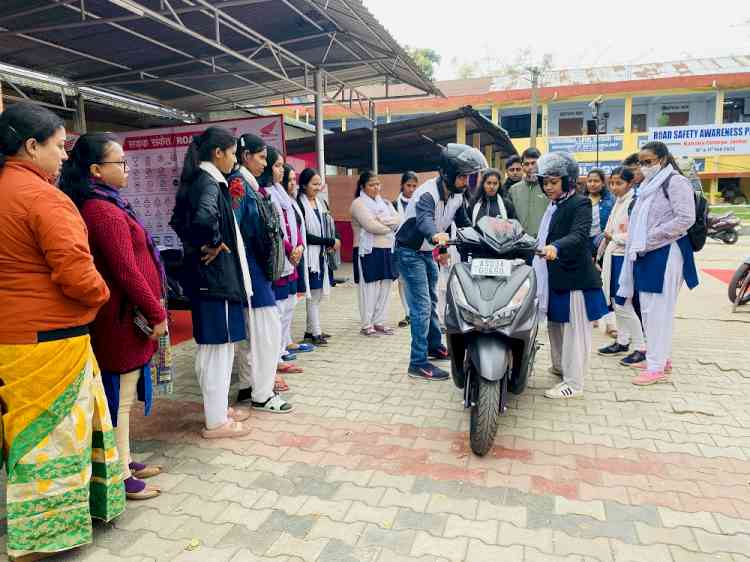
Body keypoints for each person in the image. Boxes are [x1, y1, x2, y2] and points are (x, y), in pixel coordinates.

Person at [0, 102, 124, 559]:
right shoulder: (44, 197)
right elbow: (77, 273)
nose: (64, 157)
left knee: (22, 433)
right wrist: (101, 296)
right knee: (50, 442)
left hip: (11, 336)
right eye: (58, 146)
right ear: (31, 146)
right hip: (50, 338)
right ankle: (39, 540)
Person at [59, 133, 167, 501]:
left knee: (124, 392)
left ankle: (126, 458)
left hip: (123, 316)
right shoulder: (102, 210)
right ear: (96, 170)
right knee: (118, 396)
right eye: (119, 162)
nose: (126, 168)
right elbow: (126, 270)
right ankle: (119, 476)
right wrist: (155, 310)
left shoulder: (109, 202)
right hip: (120, 320)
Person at [169, 127, 252, 439]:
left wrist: (197, 245)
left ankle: (215, 409)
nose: (234, 159)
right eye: (232, 153)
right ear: (218, 153)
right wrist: (214, 242)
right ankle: (216, 421)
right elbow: (204, 219)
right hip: (216, 279)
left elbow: (178, 221)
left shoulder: (201, 180)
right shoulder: (209, 182)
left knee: (215, 348)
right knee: (218, 349)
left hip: (209, 279)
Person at [395, 143, 487, 381]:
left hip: (426, 252)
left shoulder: (457, 194)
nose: (467, 180)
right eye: (463, 175)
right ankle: (417, 363)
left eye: (470, 175)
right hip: (409, 251)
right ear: (448, 173)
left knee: (434, 300)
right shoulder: (428, 193)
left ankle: (434, 346)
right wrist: (436, 235)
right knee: (422, 307)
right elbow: (424, 219)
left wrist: (485, 236)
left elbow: (464, 222)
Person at [617, 141, 699, 386]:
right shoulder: (648, 185)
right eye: (641, 162)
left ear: (662, 159)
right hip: (647, 253)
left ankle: (656, 367)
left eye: (648, 161)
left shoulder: (675, 182)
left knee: (658, 313)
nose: (644, 166)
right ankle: (659, 358)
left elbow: (686, 218)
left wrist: (648, 238)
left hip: (666, 253)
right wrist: (641, 241)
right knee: (651, 311)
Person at [533, 152, 608, 399]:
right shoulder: (554, 205)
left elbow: (578, 235)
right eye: (545, 182)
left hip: (576, 279)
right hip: (556, 278)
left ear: (567, 181)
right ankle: (561, 367)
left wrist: (556, 246)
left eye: (553, 182)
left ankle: (574, 383)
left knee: (576, 331)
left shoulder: (580, 203)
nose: (548, 186)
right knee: (556, 326)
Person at [229, 134, 293, 412]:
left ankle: (248, 385)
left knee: (251, 332)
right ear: (246, 156)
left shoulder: (249, 186)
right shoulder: (241, 187)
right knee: (266, 332)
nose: (265, 163)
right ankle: (263, 394)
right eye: (262, 157)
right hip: (252, 269)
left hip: (254, 269)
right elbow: (238, 232)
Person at [596, 166, 646, 366]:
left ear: (630, 183)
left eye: (619, 183)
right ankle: (623, 341)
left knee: (623, 303)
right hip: (612, 256)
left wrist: (614, 237)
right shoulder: (619, 202)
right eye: (612, 183)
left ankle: (641, 347)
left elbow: (636, 234)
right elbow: (608, 231)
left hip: (624, 258)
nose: (614, 187)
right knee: (617, 303)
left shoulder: (634, 203)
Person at [265, 153, 306, 382]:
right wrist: (291, 249)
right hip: (283, 258)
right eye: (277, 165)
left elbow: (294, 224)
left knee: (290, 304)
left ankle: (282, 349)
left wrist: (298, 245)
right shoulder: (268, 194)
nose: (280, 170)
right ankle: (277, 354)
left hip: (293, 258)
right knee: (278, 308)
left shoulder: (284, 195)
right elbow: (276, 230)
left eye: (282, 166)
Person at [351, 171, 400, 336]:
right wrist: (389, 227)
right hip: (367, 250)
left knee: (385, 286)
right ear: (363, 187)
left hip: (387, 249)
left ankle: (379, 321)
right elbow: (370, 226)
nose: (375, 187)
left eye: (377, 184)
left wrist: (382, 222)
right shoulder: (358, 204)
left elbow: (399, 219)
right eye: (371, 185)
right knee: (369, 288)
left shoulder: (385, 203)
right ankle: (367, 324)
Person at [297, 168, 339, 346]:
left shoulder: (322, 203)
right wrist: (328, 241)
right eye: (314, 184)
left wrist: (333, 239)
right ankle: (316, 333)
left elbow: (330, 225)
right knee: (313, 296)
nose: (318, 187)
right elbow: (304, 234)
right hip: (310, 256)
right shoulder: (299, 204)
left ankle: (310, 331)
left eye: (319, 183)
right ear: (304, 185)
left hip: (322, 256)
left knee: (318, 295)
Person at [585, 168, 617, 337]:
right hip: (584, 245)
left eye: (596, 181)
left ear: (603, 183)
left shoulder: (610, 201)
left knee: (606, 282)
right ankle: (593, 316)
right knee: (589, 282)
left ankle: (611, 323)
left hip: (605, 244)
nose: (592, 184)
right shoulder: (582, 200)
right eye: (590, 181)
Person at [393, 171, 419, 327]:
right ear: (402, 185)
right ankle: (407, 313)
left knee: (416, 281)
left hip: (417, 246)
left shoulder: (420, 202)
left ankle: (416, 311)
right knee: (402, 281)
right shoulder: (394, 204)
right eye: (408, 185)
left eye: (414, 186)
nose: (411, 189)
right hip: (400, 246)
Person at [509, 147, 547, 237]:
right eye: (526, 164)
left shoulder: (548, 188)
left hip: (544, 241)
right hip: (520, 241)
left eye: (534, 163)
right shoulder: (513, 190)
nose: (530, 167)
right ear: (522, 166)